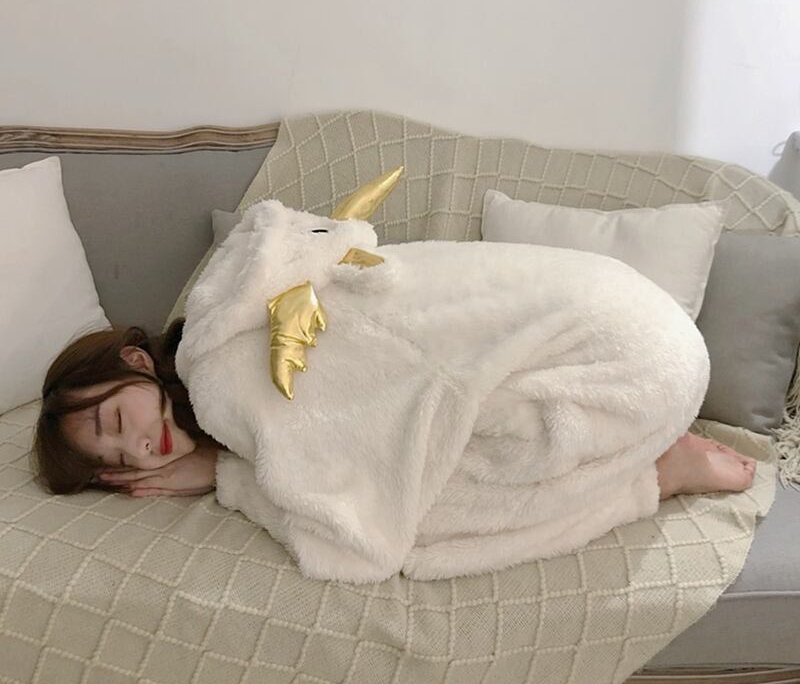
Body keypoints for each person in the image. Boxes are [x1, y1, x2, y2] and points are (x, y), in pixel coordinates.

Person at [32, 318, 758, 500]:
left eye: (115, 422)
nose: (137, 449)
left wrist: (217, 472)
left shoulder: (212, 347)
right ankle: (648, 464)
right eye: (116, 459)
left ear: (136, 362)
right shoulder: (203, 430)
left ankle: (650, 458)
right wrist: (218, 468)